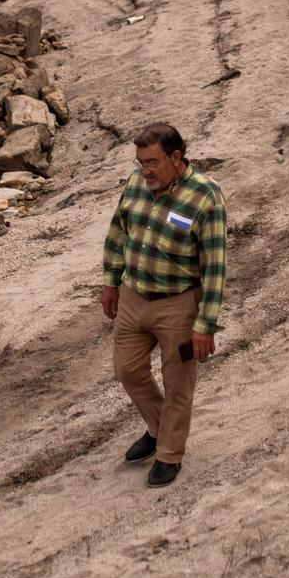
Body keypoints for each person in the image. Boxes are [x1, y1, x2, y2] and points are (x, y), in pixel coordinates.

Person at [100, 122, 227, 487]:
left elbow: (215, 267)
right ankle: (158, 428)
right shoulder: (136, 183)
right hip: (133, 298)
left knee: (178, 384)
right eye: (141, 162)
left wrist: (206, 324)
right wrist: (111, 282)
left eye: (152, 162)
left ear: (176, 157)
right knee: (127, 370)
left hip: (178, 307)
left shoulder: (206, 196)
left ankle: (169, 453)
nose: (146, 171)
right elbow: (118, 231)